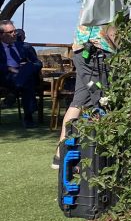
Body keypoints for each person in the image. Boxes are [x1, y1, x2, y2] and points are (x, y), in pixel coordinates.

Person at [51, 23, 116, 169]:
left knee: (80, 101)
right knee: (101, 98)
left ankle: (60, 155)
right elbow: (111, 31)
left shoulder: (91, 0)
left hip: (83, 51)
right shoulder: (109, 2)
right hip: (96, 53)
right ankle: (98, 154)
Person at [0, 19, 42, 128]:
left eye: (14, 31)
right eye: (11, 32)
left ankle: (13, 93)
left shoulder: (24, 46)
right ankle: (28, 118)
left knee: (27, 72)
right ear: (1, 35)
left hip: (23, 74)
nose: (15, 34)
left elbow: (38, 63)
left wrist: (28, 67)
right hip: (6, 76)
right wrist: (9, 68)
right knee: (27, 80)